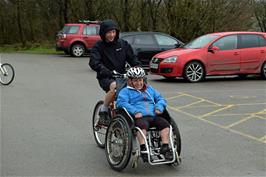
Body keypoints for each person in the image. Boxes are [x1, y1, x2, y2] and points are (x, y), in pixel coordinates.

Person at [89, 19, 140, 125]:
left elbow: (132, 58)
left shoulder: (123, 44)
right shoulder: (98, 46)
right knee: (115, 87)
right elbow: (94, 62)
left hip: (122, 75)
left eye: (113, 32)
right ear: (103, 33)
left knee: (138, 87)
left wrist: (137, 67)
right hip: (106, 77)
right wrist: (104, 70)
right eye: (108, 32)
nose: (111, 35)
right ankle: (103, 110)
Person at [116, 67, 173, 162]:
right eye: (135, 80)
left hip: (153, 115)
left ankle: (165, 147)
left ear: (143, 79)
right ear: (130, 81)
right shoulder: (125, 91)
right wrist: (134, 111)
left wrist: (159, 107)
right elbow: (121, 103)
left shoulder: (149, 89)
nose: (138, 83)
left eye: (140, 80)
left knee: (165, 124)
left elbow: (161, 99)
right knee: (143, 126)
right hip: (139, 117)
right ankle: (143, 149)